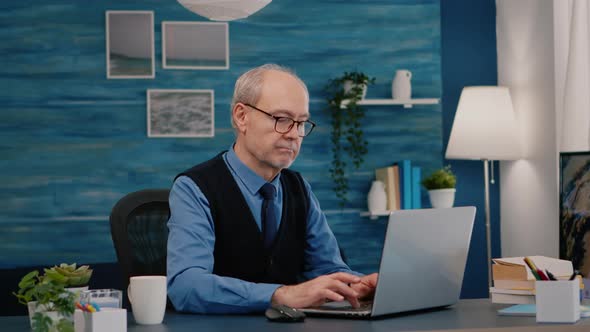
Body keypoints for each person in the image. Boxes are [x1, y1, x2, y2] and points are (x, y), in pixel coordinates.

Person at [167, 63, 378, 314]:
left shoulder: (299, 188)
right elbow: (185, 286)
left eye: (301, 123)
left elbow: (327, 269)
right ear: (241, 116)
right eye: (282, 119)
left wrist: (357, 284)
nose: (294, 134)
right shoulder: (193, 188)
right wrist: (281, 295)